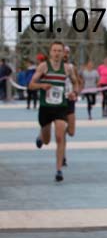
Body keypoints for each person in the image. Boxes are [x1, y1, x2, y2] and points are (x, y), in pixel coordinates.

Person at [29, 41, 79, 182]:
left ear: (63, 53)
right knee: (46, 141)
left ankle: (58, 170)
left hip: (60, 107)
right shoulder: (43, 67)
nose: (57, 53)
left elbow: (75, 82)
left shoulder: (68, 69)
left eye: (59, 51)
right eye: (54, 50)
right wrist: (42, 85)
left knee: (59, 136)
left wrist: (74, 93)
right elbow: (31, 85)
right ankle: (41, 136)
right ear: (50, 52)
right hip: (46, 108)